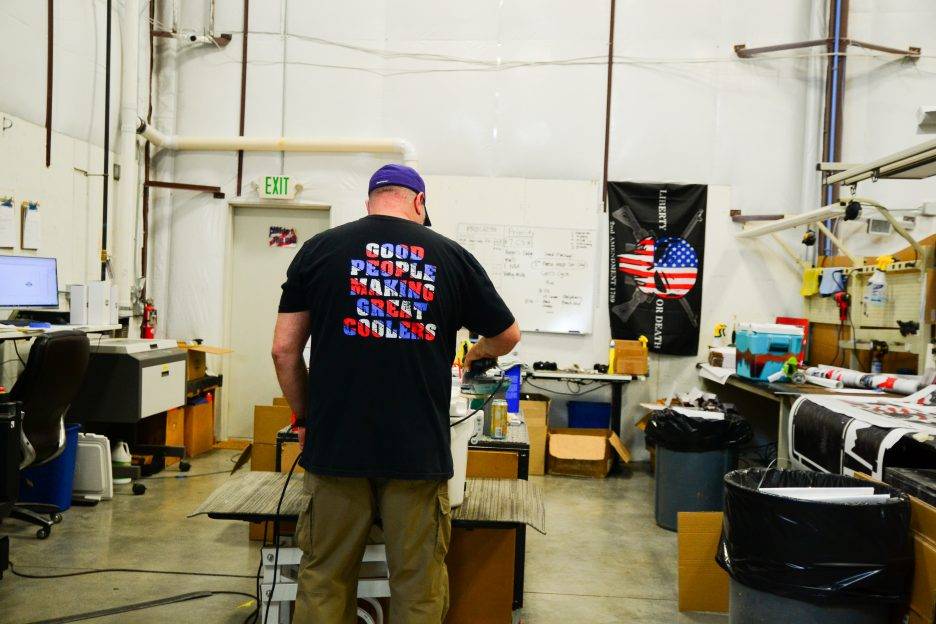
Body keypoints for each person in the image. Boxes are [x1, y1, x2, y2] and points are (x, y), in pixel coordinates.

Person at [272, 163, 520, 624]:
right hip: (417, 452)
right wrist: (475, 354)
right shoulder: (451, 257)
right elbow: (508, 336)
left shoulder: (320, 250)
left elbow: (284, 351)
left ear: (370, 202)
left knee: (325, 577)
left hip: (336, 448)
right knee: (418, 585)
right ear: (419, 203)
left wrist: (305, 419)